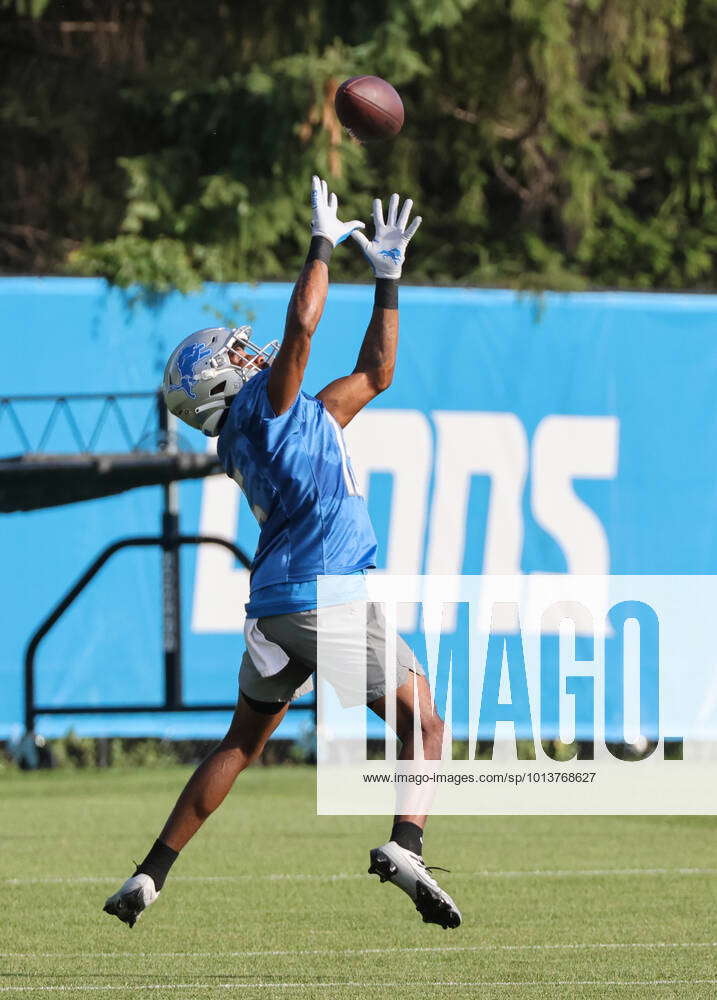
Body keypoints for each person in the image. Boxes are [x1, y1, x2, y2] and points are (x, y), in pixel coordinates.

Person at [103, 176, 461, 931]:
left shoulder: (287, 422)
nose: (248, 349)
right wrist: (322, 242)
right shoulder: (267, 415)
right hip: (326, 594)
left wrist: (388, 280)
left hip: (274, 607)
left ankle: (149, 875)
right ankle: (407, 844)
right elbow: (300, 330)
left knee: (240, 741)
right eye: (234, 352)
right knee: (425, 724)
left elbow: (375, 374)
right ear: (226, 381)